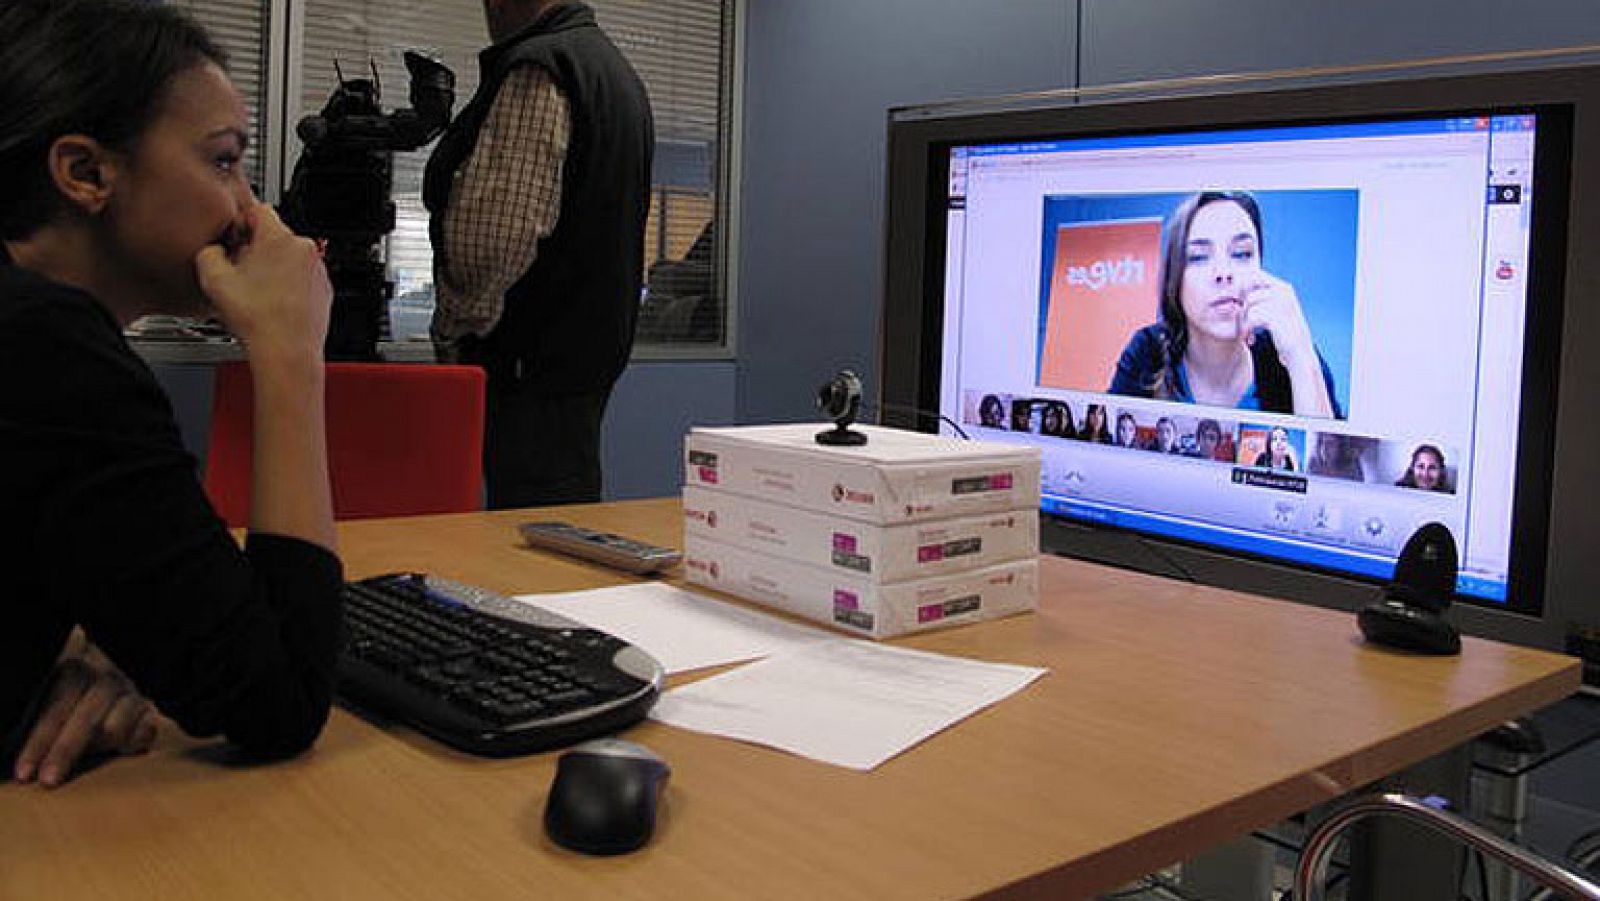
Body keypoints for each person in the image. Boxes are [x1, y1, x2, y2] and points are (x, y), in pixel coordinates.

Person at [0, 0, 341, 787]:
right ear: (86, 173)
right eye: (223, 162)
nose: (249, 211)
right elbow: (277, 701)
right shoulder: (48, 348)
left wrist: (113, 629)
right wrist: (291, 354)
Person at [426, 0, 654, 508]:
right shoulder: (615, 74)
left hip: (525, 372)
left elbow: (491, 243)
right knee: (557, 538)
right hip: (579, 369)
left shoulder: (540, 69)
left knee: (522, 542)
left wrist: (453, 333)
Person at [1108, 191, 1343, 418]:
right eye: (1199, 257)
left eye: (1241, 254)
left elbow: (1331, 458)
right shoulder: (1147, 351)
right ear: (1176, 279)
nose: (1223, 273)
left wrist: (1300, 356)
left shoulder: (1287, 357)